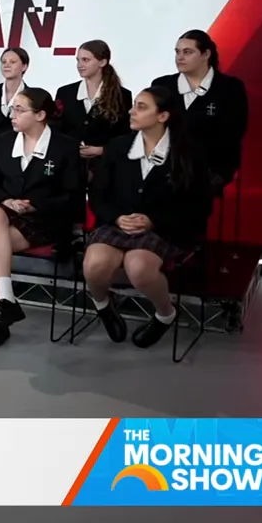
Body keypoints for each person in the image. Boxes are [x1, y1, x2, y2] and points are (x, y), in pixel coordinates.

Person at [83, 86, 212, 348]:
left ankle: (165, 315)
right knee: (95, 266)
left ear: (163, 116)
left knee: (139, 267)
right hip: (116, 223)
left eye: (142, 107)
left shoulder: (187, 153)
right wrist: (118, 218)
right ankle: (103, 305)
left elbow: (198, 206)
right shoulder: (118, 147)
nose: (132, 111)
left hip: (162, 228)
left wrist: (153, 221)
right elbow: (98, 196)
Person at [0, 87, 78, 348]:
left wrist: (35, 206)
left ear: (41, 114)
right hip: (6, 214)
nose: (13, 114)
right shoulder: (3, 141)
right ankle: (5, 302)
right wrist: (8, 201)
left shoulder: (64, 146)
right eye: (13, 109)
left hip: (46, 219)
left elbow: (72, 196)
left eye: (20, 110)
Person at [150, 29, 249, 193]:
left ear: (206, 54)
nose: (179, 57)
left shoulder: (230, 88)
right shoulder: (162, 85)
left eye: (187, 52)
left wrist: (214, 172)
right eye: (177, 52)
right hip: (165, 168)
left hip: (209, 171)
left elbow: (234, 132)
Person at [54, 40, 133, 173]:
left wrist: (102, 150)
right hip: (70, 169)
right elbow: (58, 129)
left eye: (86, 60)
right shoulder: (65, 92)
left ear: (102, 62)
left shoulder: (122, 95)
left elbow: (125, 136)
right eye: (78, 60)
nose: (80, 65)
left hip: (105, 170)